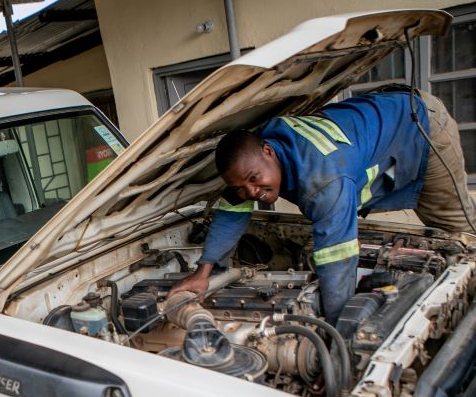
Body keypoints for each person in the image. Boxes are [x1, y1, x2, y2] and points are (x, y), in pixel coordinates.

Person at [170, 90, 475, 322]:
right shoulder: (252, 158)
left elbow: (337, 260)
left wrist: (337, 327)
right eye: (241, 187)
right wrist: (203, 272)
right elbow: (230, 213)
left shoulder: (322, 180)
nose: (252, 192)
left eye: (254, 179)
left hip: (419, 126)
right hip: (375, 125)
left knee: (461, 236)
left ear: (268, 151)